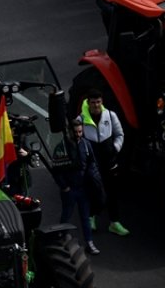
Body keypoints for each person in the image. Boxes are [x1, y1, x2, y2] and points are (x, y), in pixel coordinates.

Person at [79, 90, 129, 237]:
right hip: (92, 161)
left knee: (112, 191)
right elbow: (75, 139)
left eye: (98, 102)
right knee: (93, 190)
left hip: (109, 160)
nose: (96, 105)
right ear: (88, 103)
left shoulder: (111, 115)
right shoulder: (81, 118)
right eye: (93, 102)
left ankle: (114, 223)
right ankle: (91, 218)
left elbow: (120, 134)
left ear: (102, 102)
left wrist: (115, 148)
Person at [54, 118, 103, 255]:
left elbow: (92, 163)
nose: (78, 134)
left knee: (85, 217)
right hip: (69, 189)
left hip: (83, 189)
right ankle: (60, 240)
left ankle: (89, 242)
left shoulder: (86, 145)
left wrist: (93, 180)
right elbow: (56, 170)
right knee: (66, 215)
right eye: (75, 132)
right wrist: (64, 187)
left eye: (80, 131)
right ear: (70, 131)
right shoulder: (61, 147)